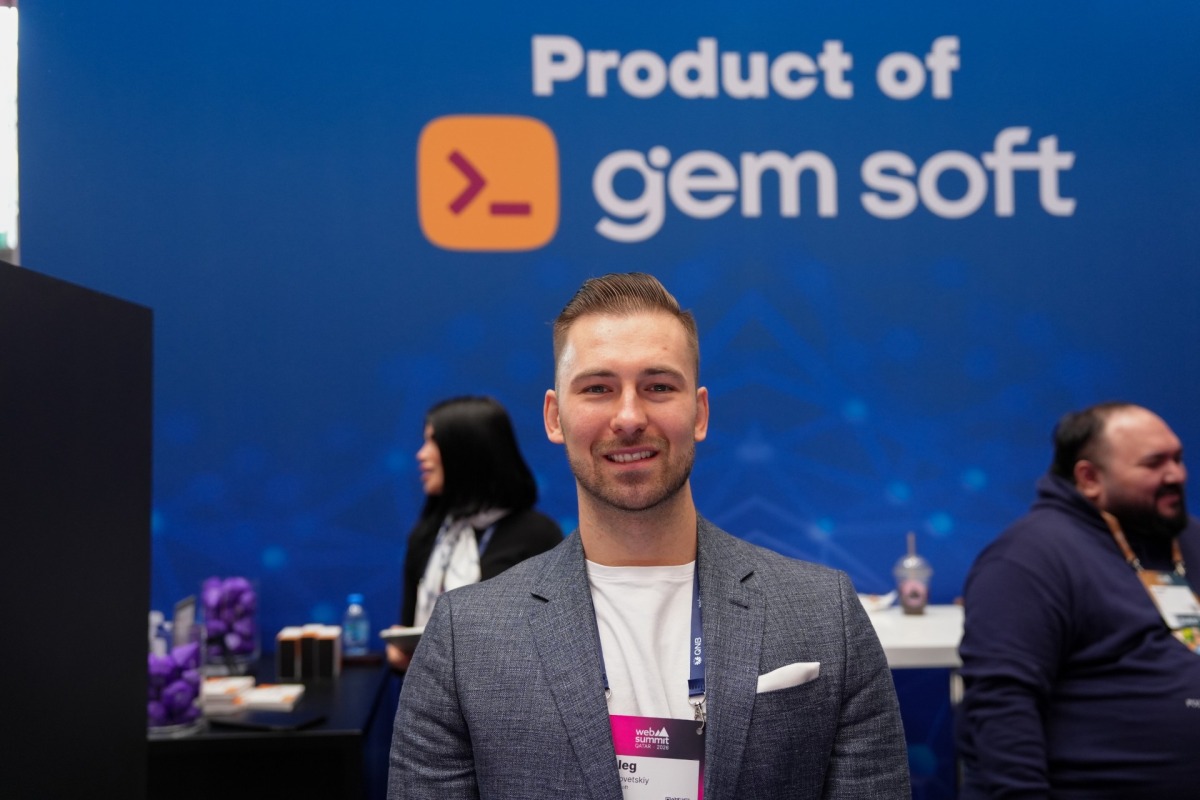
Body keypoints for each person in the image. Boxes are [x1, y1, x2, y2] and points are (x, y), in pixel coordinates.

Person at [388, 273, 909, 799]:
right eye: (598, 388)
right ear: (554, 417)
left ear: (699, 413)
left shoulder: (825, 614)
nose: (630, 417)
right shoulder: (464, 639)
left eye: (658, 386)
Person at [957, 402, 1200, 798]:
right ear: (1089, 478)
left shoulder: (1188, 540)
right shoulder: (1028, 559)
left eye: (1178, 458)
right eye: (1154, 463)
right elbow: (1002, 707)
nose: (1176, 475)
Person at [387, 395, 562, 672]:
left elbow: (556, 641)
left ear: (467, 450)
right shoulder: (427, 534)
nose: (421, 454)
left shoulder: (538, 536)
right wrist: (400, 653)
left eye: (433, 441)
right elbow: (409, 627)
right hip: (429, 691)